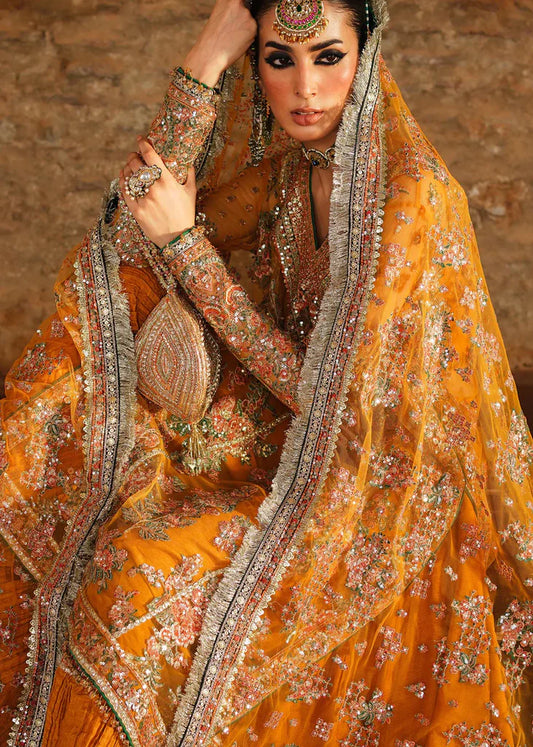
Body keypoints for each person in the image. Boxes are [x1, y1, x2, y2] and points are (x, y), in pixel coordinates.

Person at [0, 0, 532, 743]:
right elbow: (132, 228)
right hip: (292, 448)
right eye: (279, 60)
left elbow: (336, 400)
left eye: (328, 57)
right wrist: (206, 60)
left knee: (131, 573)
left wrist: (188, 248)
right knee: (56, 481)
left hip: (380, 483)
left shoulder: (408, 196)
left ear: (367, 58)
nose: (304, 88)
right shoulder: (288, 174)